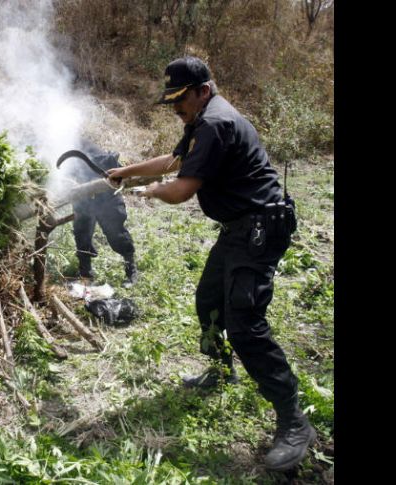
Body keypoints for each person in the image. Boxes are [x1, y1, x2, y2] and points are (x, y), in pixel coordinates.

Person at [107, 56, 314, 472]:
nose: (176, 108)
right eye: (172, 101)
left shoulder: (216, 122)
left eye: (181, 99)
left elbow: (181, 188)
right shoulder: (202, 122)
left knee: (245, 324)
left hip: (259, 229)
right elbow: (175, 161)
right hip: (240, 227)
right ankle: (221, 371)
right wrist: (125, 172)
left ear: (204, 90)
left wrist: (150, 192)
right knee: (209, 301)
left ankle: (294, 421)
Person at [69, 141, 138, 289]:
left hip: (107, 197)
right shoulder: (71, 154)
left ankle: (131, 271)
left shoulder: (102, 157)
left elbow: (120, 175)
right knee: (82, 234)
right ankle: (86, 275)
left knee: (116, 234)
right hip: (83, 197)